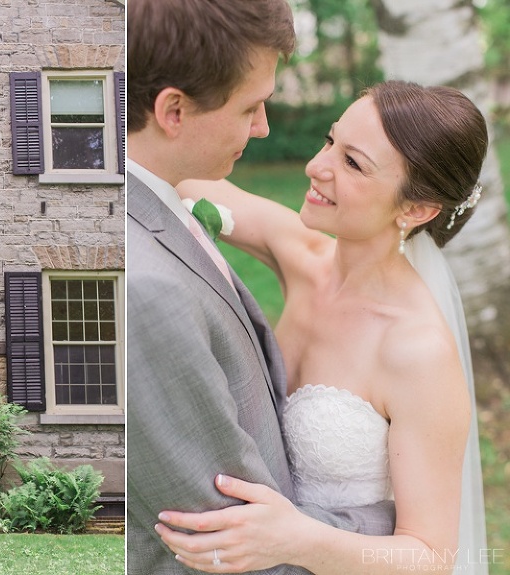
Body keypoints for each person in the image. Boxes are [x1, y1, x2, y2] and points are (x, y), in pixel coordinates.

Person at [156, 80, 489, 574]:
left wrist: (296, 541)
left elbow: (432, 556)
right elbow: (179, 176)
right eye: (330, 141)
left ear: (416, 210)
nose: (316, 166)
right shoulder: (301, 256)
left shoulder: (416, 350)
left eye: (353, 163)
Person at [127, 1, 396, 574]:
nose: (264, 128)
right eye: (251, 105)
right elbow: (227, 532)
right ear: (173, 110)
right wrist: (386, 525)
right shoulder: (149, 290)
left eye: (354, 161)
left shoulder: (164, 196)